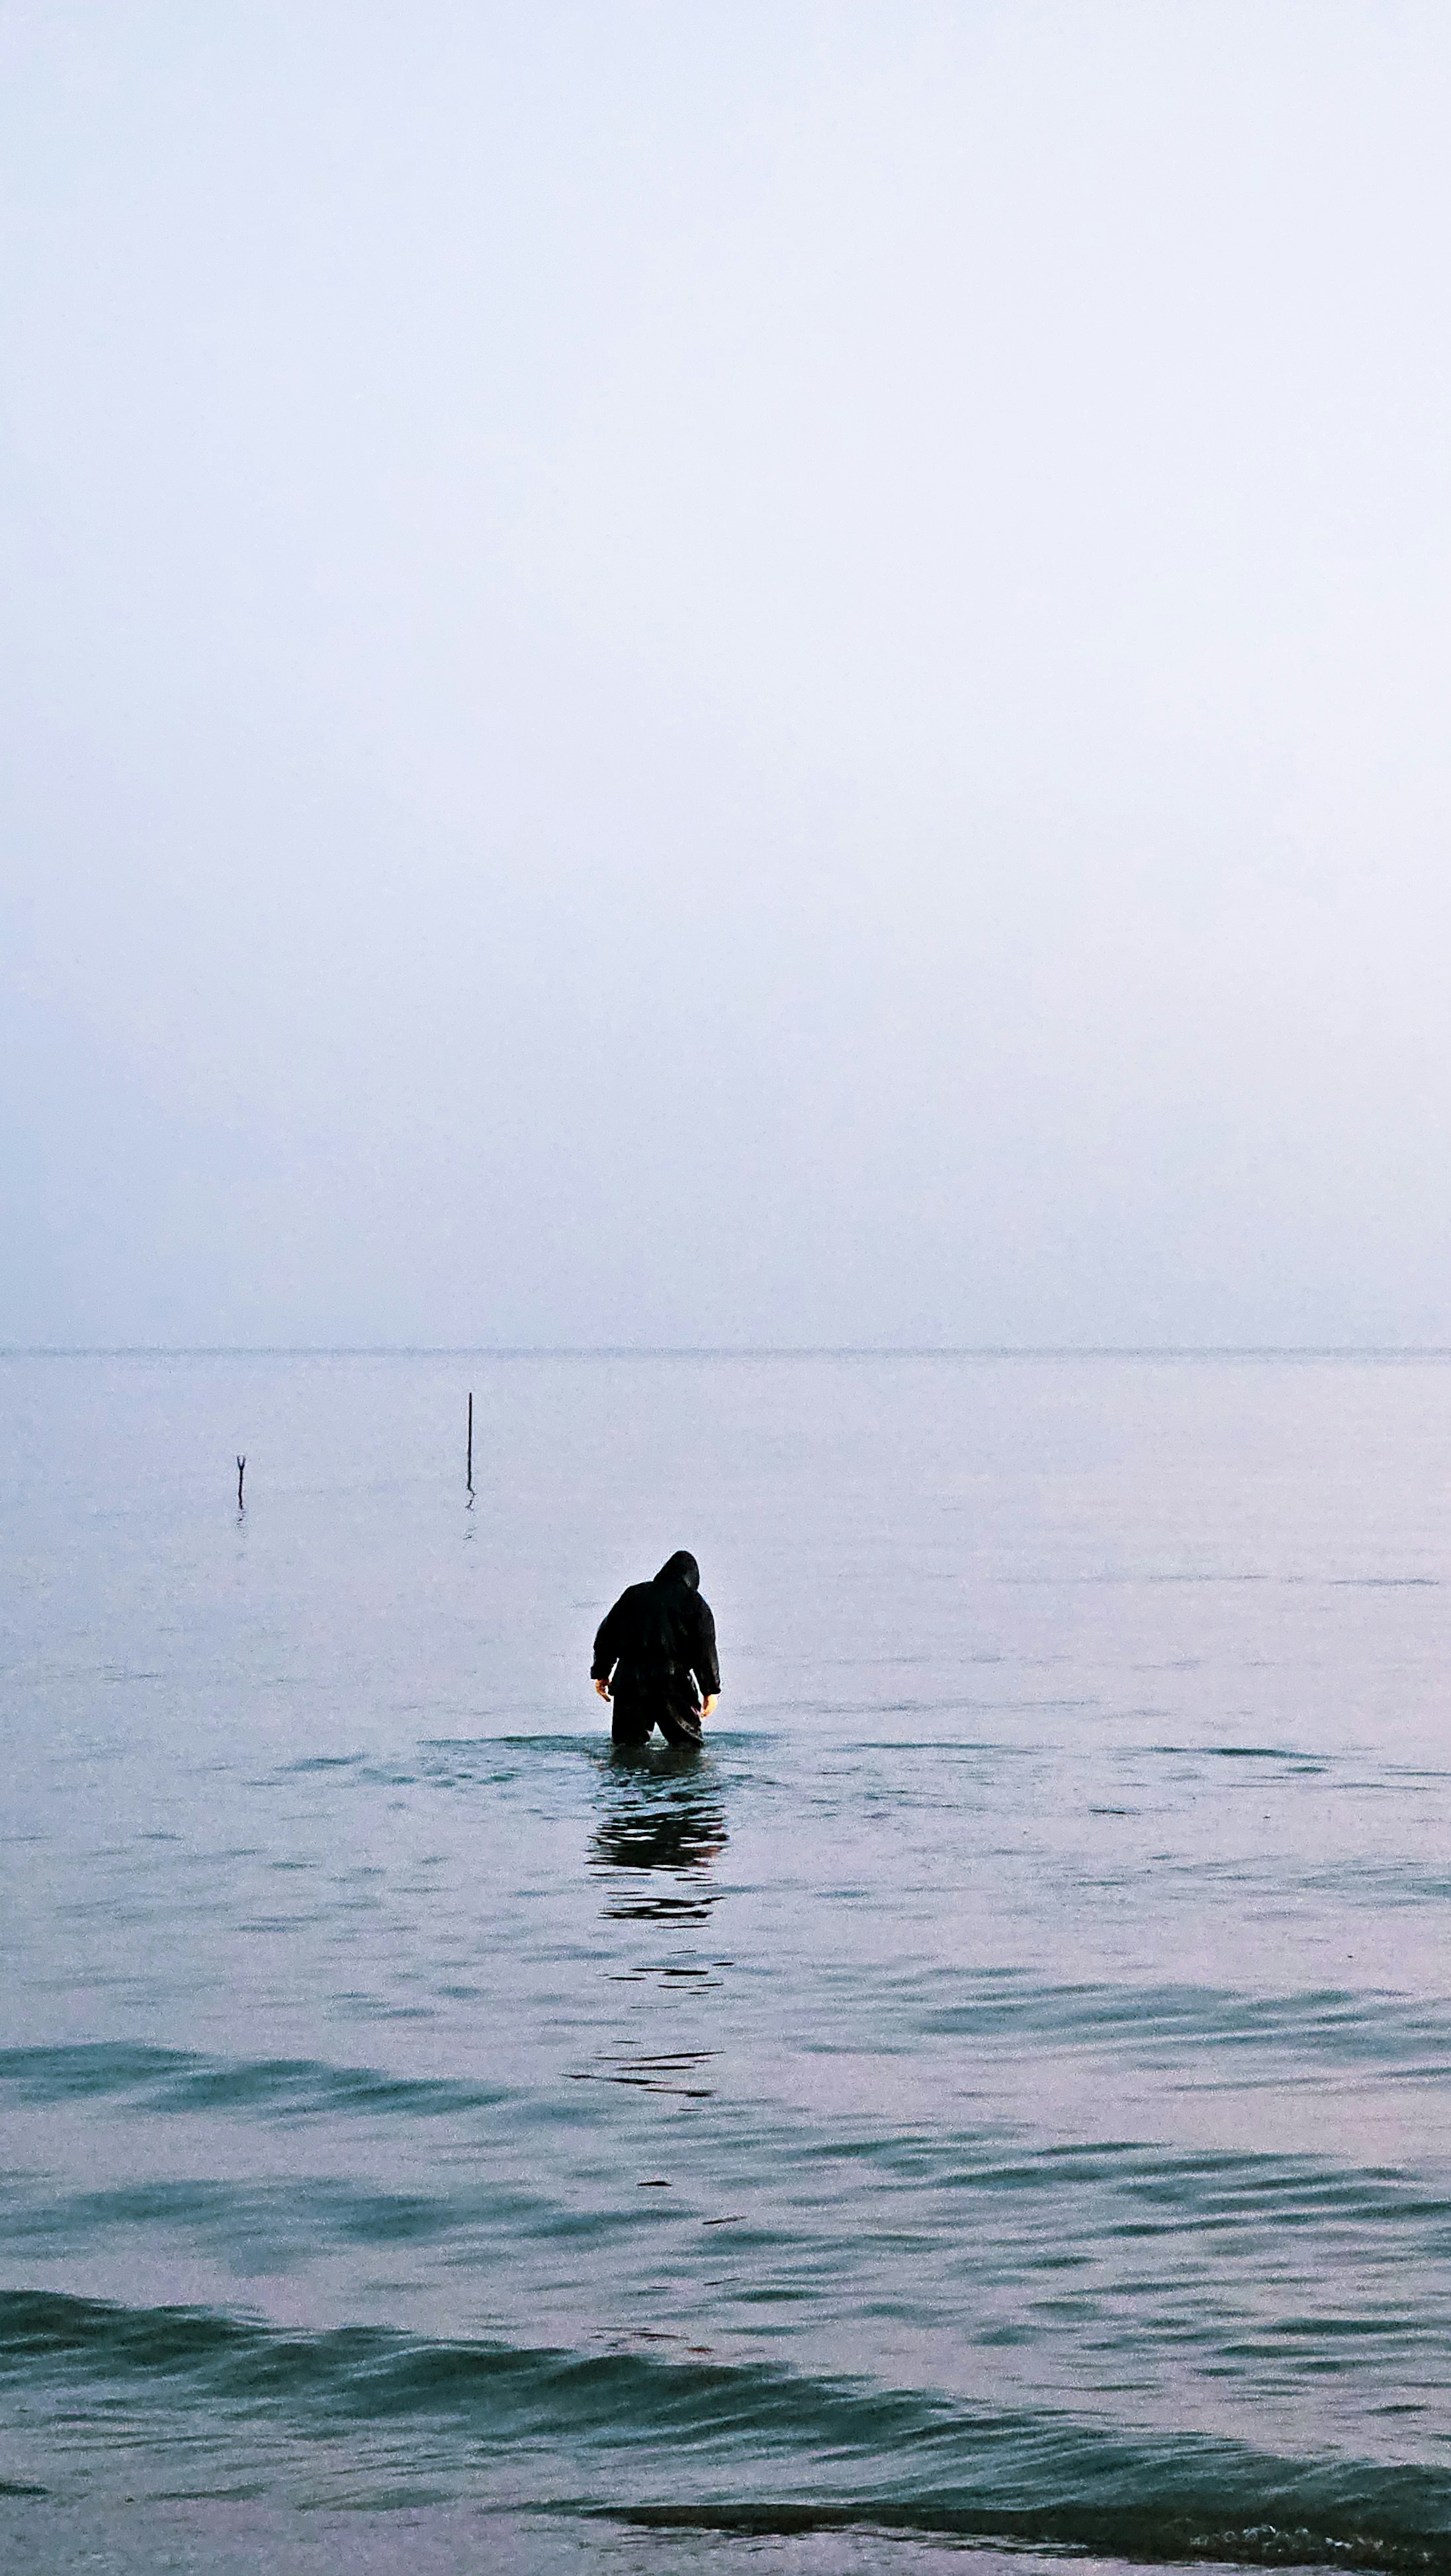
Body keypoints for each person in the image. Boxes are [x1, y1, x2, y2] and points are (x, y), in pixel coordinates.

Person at [592, 1550, 720, 1750]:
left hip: (630, 1681)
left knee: (626, 1747)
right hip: (673, 1682)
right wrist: (710, 1690)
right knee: (687, 1746)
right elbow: (705, 1649)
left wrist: (601, 1673)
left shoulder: (633, 1594)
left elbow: (607, 1635)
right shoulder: (694, 1602)